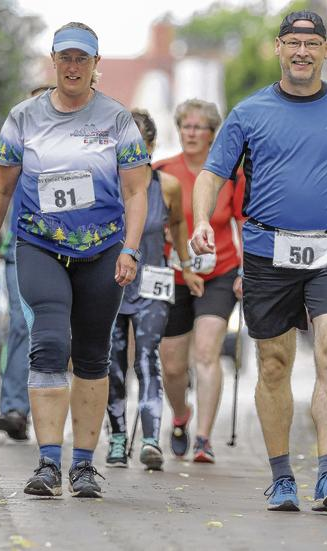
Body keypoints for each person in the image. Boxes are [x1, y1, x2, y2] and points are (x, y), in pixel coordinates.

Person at [190, 11, 327, 512]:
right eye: (293, 42)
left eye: (312, 43)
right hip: (266, 250)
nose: (302, 51)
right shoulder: (249, 112)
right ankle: (281, 478)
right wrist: (201, 221)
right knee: (274, 364)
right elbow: (212, 174)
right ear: (278, 48)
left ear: (325, 50)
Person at [0, 22, 150, 498]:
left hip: (103, 249)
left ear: (95, 65)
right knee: (47, 344)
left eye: (82, 59)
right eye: (66, 58)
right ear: (54, 62)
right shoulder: (23, 117)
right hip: (40, 245)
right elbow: (2, 187)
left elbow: (136, 191)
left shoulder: (117, 119)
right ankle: (49, 462)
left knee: (93, 356)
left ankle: (84, 465)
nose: (73, 67)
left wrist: (131, 249)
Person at [105, 109, 201, 470]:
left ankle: (150, 439)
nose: (132, 154)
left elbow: (176, 226)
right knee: (113, 363)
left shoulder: (167, 186)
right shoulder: (105, 182)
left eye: (140, 147)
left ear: (151, 145)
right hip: (111, 282)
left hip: (153, 280)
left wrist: (187, 267)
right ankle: (116, 437)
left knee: (147, 359)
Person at [154, 99, 245, 463]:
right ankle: (180, 416)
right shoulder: (161, 172)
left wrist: (247, 272)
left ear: (212, 134)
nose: (191, 133)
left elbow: (244, 222)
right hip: (173, 273)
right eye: (185, 126)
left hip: (219, 272)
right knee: (172, 364)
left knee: (207, 352)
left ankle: (204, 438)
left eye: (199, 127)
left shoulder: (230, 175)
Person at [0, 85, 52, 442]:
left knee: (60, 334)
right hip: (22, 247)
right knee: (20, 324)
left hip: (73, 250)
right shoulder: (16, 145)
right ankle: (15, 408)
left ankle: (57, 410)